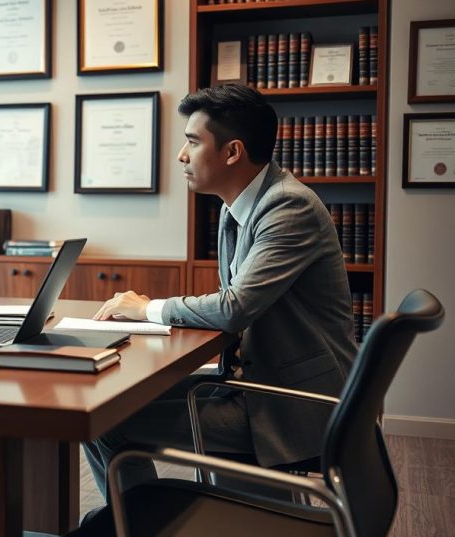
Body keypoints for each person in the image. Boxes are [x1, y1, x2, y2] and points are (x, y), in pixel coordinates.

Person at [70, 84, 357, 535]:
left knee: (108, 421)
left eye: (192, 141)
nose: (182, 155)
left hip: (291, 405)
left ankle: (135, 523)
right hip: (256, 382)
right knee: (112, 404)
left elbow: (234, 307)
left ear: (232, 152)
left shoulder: (288, 206)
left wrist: (148, 308)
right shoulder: (239, 207)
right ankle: (135, 519)